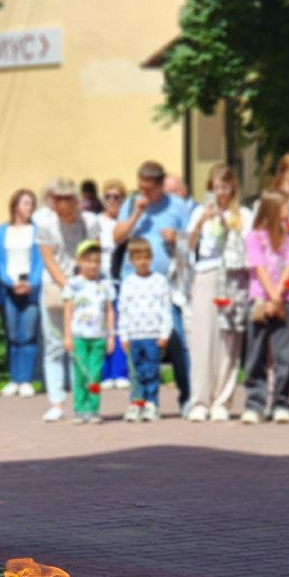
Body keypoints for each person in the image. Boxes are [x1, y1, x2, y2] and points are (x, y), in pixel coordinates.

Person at [113, 161, 190, 408]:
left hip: (166, 283)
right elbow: (117, 237)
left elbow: (192, 241)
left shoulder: (177, 206)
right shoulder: (131, 204)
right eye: (141, 187)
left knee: (177, 339)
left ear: (160, 185)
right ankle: (139, 399)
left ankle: (187, 397)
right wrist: (136, 214)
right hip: (134, 282)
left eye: (148, 189)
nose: (143, 192)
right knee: (136, 343)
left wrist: (177, 237)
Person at [183, 164, 249, 422]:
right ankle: (200, 400)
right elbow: (188, 246)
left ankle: (222, 400)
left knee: (228, 340)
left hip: (232, 276)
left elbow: (245, 246)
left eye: (225, 186)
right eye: (216, 187)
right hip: (206, 273)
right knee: (202, 338)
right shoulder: (199, 212)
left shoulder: (242, 214)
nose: (220, 192)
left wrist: (227, 223)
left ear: (233, 187)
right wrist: (202, 221)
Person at [36, 178, 99, 422]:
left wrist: (82, 284)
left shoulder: (89, 221)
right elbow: (49, 259)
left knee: (80, 345)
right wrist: (67, 285)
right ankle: (56, 402)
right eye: (58, 198)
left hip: (84, 288)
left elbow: (94, 253)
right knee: (54, 345)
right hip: (56, 288)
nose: (62, 203)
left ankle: (80, 401)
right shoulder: (45, 223)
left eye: (68, 198)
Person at [241, 190, 289, 425]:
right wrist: (272, 298)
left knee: (285, 355)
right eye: (285, 207)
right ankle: (254, 404)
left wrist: (279, 297)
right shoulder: (254, 237)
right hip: (260, 300)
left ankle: (281, 403)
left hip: (284, 299)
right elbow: (260, 269)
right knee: (256, 355)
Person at [0, 188, 44, 398]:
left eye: (32, 204)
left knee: (28, 336)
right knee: (13, 336)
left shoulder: (37, 231)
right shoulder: (2, 231)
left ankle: (26, 380)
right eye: (26, 203)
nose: (30, 208)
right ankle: (15, 379)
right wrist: (10, 282)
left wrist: (32, 283)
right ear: (15, 206)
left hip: (31, 290)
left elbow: (41, 260)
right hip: (9, 290)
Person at [117, 238, 173, 422]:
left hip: (153, 335)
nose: (142, 262)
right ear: (131, 260)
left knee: (151, 371)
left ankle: (151, 404)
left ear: (151, 258)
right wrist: (123, 335)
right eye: (138, 258)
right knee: (135, 373)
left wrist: (165, 333)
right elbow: (123, 310)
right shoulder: (128, 283)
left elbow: (166, 309)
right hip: (134, 335)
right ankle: (136, 403)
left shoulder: (160, 281)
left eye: (146, 257)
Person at [62, 239, 115, 423]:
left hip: (98, 337)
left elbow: (109, 311)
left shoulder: (105, 285)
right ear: (79, 262)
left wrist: (111, 336)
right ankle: (79, 408)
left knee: (95, 373)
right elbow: (68, 311)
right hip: (79, 336)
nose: (92, 265)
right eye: (88, 261)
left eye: (96, 261)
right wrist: (67, 336)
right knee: (80, 373)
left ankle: (93, 409)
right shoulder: (73, 284)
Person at [97, 179, 131, 388]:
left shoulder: (127, 222)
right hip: (101, 278)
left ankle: (120, 372)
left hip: (120, 279)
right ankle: (104, 373)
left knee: (120, 325)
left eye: (116, 197)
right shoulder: (97, 221)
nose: (112, 201)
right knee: (102, 325)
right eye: (108, 196)